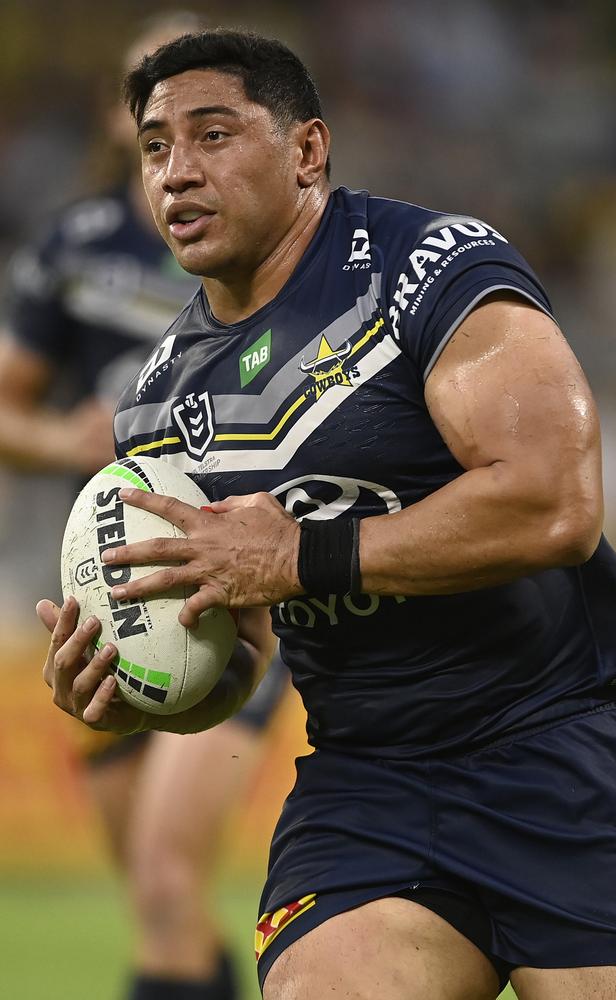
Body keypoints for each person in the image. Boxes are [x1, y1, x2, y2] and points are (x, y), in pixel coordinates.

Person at [37, 28, 616, 1000]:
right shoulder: (155, 405)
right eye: (155, 147)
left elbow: (554, 505)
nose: (177, 173)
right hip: (369, 788)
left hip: (560, 756)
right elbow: (240, 647)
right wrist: (145, 678)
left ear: (307, 150)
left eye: (213, 135)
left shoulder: (430, 268)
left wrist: (301, 556)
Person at [0, 16, 290, 1000]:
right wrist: (65, 440)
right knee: (155, 897)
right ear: (122, 117)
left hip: (227, 582)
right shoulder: (78, 247)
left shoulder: (264, 240)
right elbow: (6, 407)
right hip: (101, 593)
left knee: (166, 878)